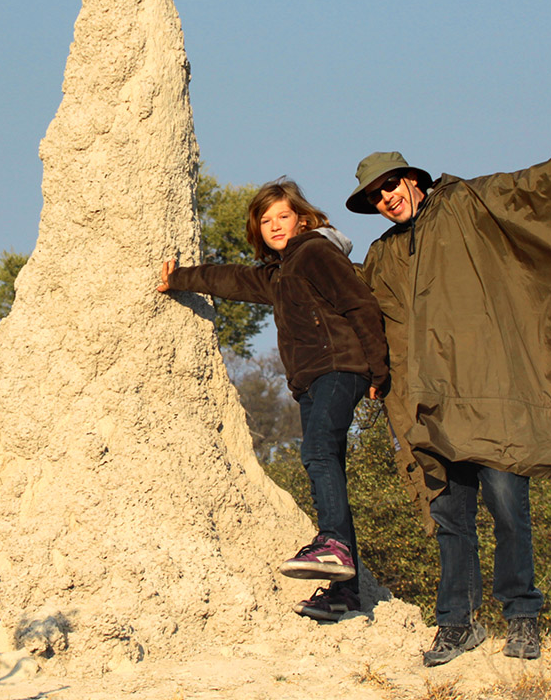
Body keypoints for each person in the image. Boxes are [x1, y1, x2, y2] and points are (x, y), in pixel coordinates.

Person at [346, 98, 551, 665]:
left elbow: (532, 190)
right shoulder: (382, 255)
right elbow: (358, 310)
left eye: (391, 184)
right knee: (449, 519)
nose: (387, 198)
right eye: (376, 196)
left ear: (412, 179)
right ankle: (456, 624)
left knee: (508, 509)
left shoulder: (468, 202)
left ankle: (522, 618)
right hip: (432, 407)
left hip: (495, 396)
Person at [158, 179, 389, 621]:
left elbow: (360, 304)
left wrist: (378, 368)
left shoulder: (315, 252)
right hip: (313, 379)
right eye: (265, 221)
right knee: (328, 467)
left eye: (283, 216)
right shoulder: (283, 272)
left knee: (318, 450)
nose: (275, 225)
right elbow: (234, 279)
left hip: (340, 367)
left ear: (302, 218)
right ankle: (347, 593)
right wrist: (179, 278)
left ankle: (333, 548)